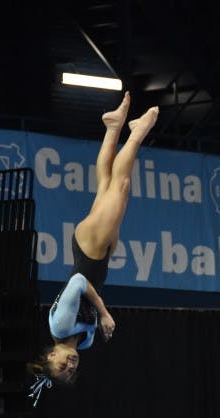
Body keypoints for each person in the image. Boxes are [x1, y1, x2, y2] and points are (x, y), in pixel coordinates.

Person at [28, 92, 159, 402]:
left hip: (88, 252)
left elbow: (77, 282)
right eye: (71, 371)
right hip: (98, 256)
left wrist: (104, 314)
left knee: (121, 186)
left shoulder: (60, 326)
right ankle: (113, 127)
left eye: (61, 367)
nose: (69, 366)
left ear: (50, 356)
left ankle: (137, 131)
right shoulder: (83, 341)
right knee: (107, 185)